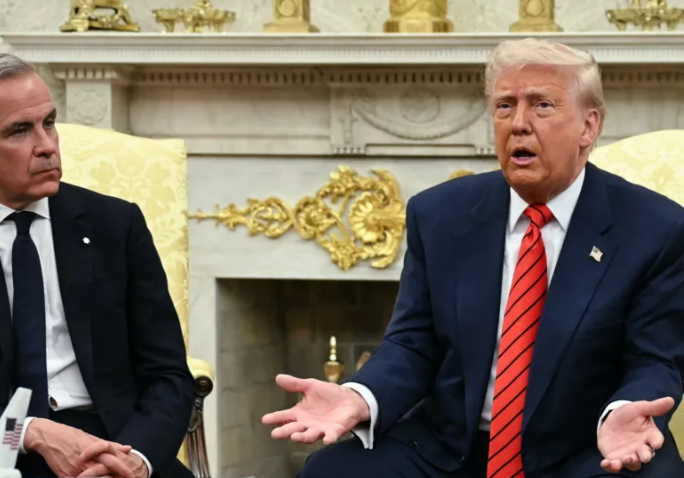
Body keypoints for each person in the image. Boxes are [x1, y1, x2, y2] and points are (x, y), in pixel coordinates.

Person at [263, 38, 684, 478]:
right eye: (505, 106)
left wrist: (624, 410)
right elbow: (413, 343)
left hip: (583, 449)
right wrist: (359, 396)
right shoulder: (440, 214)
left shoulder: (654, 228)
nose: (518, 124)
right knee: (331, 471)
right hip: (452, 447)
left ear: (588, 127)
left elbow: (654, 359)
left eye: (542, 105)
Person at [0, 53, 195, 478]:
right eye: (20, 130)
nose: (47, 145)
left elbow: (168, 375)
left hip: (111, 437)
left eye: (49, 123)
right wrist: (29, 430)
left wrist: (135, 461)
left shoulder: (116, 225)